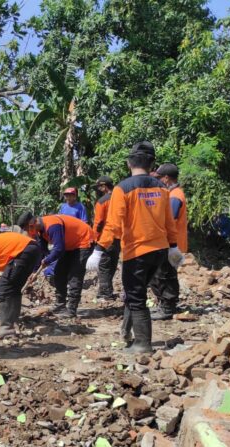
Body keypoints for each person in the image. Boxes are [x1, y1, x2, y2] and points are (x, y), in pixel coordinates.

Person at [88, 141, 182, 354]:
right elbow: (169, 222)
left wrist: (99, 249)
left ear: (129, 163)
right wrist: (173, 246)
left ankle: (142, 345)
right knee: (135, 293)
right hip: (159, 251)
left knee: (137, 297)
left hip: (137, 252)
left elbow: (113, 223)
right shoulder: (162, 188)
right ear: (152, 164)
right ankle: (127, 332)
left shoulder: (123, 188)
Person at [18, 212, 94, 317]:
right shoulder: (39, 230)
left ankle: (71, 309)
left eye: (28, 229)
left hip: (83, 240)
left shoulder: (53, 225)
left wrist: (47, 260)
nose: (30, 232)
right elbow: (41, 251)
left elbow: (59, 249)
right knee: (59, 272)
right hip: (69, 245)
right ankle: (60, 305)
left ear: (32, 223)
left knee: (75, 274)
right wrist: (34, 271)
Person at [149, 163, 187, 320]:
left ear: (166, 178)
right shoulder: (173, 193)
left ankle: (167, 307)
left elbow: (169, 219)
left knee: (165, 274)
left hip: (171, 242)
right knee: (160, 273)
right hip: (168, 241)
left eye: (159, 178)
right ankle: (165, 304)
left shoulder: (174, 196)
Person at [92, 176, 119, 300]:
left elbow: (98, 222)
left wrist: (94, 239)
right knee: (112, 264)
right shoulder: (121, 198)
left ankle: (105, 293)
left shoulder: (102, 201)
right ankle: (107, 291)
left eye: (99, 187)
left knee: (103, 265)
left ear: (104, 187)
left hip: (105, 238)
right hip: (119, 237)